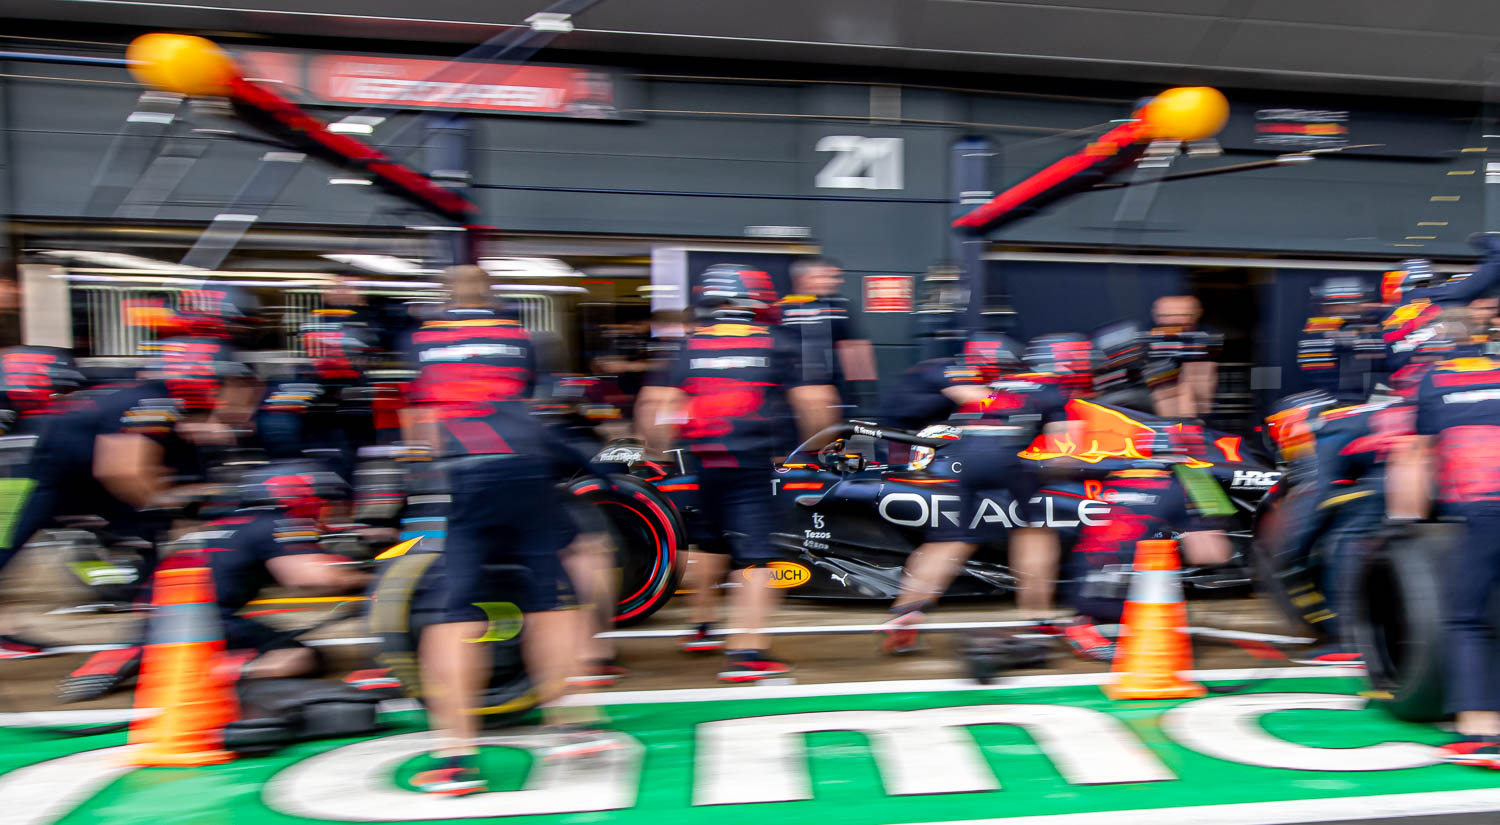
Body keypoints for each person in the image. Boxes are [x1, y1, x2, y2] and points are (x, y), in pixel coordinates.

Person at [402, 265, 602, 796]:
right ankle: (568, 725)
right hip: (525, 466)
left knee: (453, 612)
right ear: (494, 298)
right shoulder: (524, 338)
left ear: (443, 298)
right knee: (551, 594)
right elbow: (531, 410)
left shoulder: (420, 340)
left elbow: (418, 422)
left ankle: (455, 759)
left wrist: (419, 487)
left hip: (463, 474)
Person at [648, 263, 838, 680]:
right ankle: (746, 655)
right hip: (751, 464)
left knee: (709, 544)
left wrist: (658, 454)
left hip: (702, 462)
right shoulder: (779, 342)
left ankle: (700, 629)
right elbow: (815, 405)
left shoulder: (688, 346)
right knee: (757, 558)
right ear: (757, 298)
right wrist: (813, 449)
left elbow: (655, 408)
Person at [879, 333, 1077, 654]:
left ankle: (905, 612)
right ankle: (1037, 616)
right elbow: (1064, 454)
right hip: (1006, 455)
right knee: (1034, 529)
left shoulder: (988, 386)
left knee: (950, 539)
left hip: (964, 459)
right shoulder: (1052, 391)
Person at [1388, 311, 1500, 767]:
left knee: (1465, 619)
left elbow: (1415, 457)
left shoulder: (1433, 382)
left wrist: (1403, 524)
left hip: (1482, 511)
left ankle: (1482, 733)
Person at [181, 460, 371, 679]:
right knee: (299, 658)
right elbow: (314, 578)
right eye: (325, 503)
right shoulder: (276, 523)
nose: (325, 512)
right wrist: (372, 578)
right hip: (208, 622)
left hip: (171, 619)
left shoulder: (226, 523)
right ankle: (206, 674)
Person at [1062, 431, 1232, 661]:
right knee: (1175, 617)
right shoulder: (1180, 485)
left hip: (1078, 590)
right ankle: (1110, 628)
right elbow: (1209, 554)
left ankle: (1085, 621)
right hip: (1125, 600)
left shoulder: (1115, 478)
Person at [778, 256, 877, 417]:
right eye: (822, 277)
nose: (831, 282)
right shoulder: (783, 309)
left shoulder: (840, 308)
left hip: (833, 392)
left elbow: (855, 351)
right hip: (794, 395)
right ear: (803, 279)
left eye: (832, 277)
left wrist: (865, 393)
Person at [1143, 294, 1219, 418]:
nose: (1175, 320)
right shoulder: (1145, 341)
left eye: (1184, 315)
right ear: (1155, 315)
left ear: (1198, 314)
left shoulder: (1205, 339)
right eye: (1167, 316)